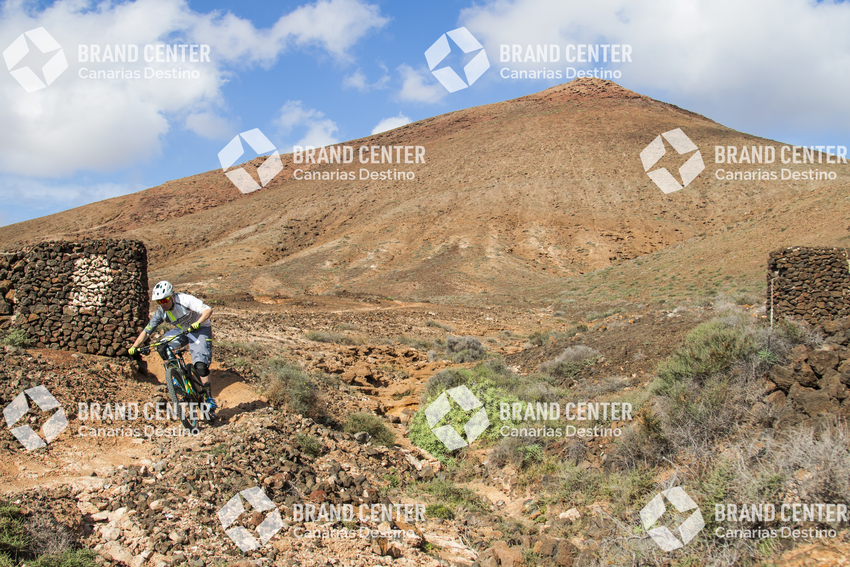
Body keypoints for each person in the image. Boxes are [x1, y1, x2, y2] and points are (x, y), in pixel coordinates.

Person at [128, 281, 217, 418]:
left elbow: (208, 310)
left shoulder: (184, 300)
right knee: (162, 346)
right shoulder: (161, 312)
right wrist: (135, 346)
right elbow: (147, 330)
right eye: (159, 302)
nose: (162, 304)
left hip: (200, 329)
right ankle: (176, 375)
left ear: (172, 296)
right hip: (182, 330)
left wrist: (198, 323)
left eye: (164, 300)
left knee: (200, 365)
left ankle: (209, 397)